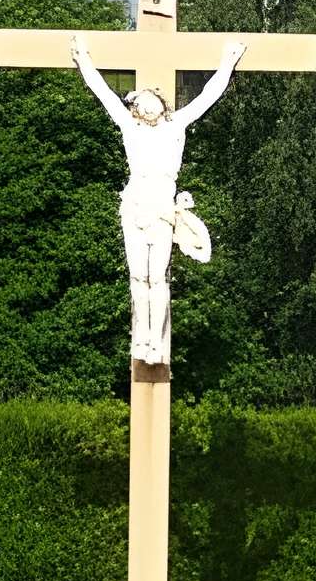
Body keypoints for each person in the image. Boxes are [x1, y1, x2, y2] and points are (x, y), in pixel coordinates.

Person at [71, 32, 244, 367]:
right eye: (137, 102)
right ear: (135, 108)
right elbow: (103, 93)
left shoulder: (176, 124)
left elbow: (208, 96)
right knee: (138, 276)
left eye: (149, 98)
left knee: (156, 277)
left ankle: (157, 341)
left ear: (162, 102)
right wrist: (83, 59)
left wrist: (228, 62)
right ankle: (142, 339)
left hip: (163, 210)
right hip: (135, 207)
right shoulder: (129, 126)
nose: (143, 103)